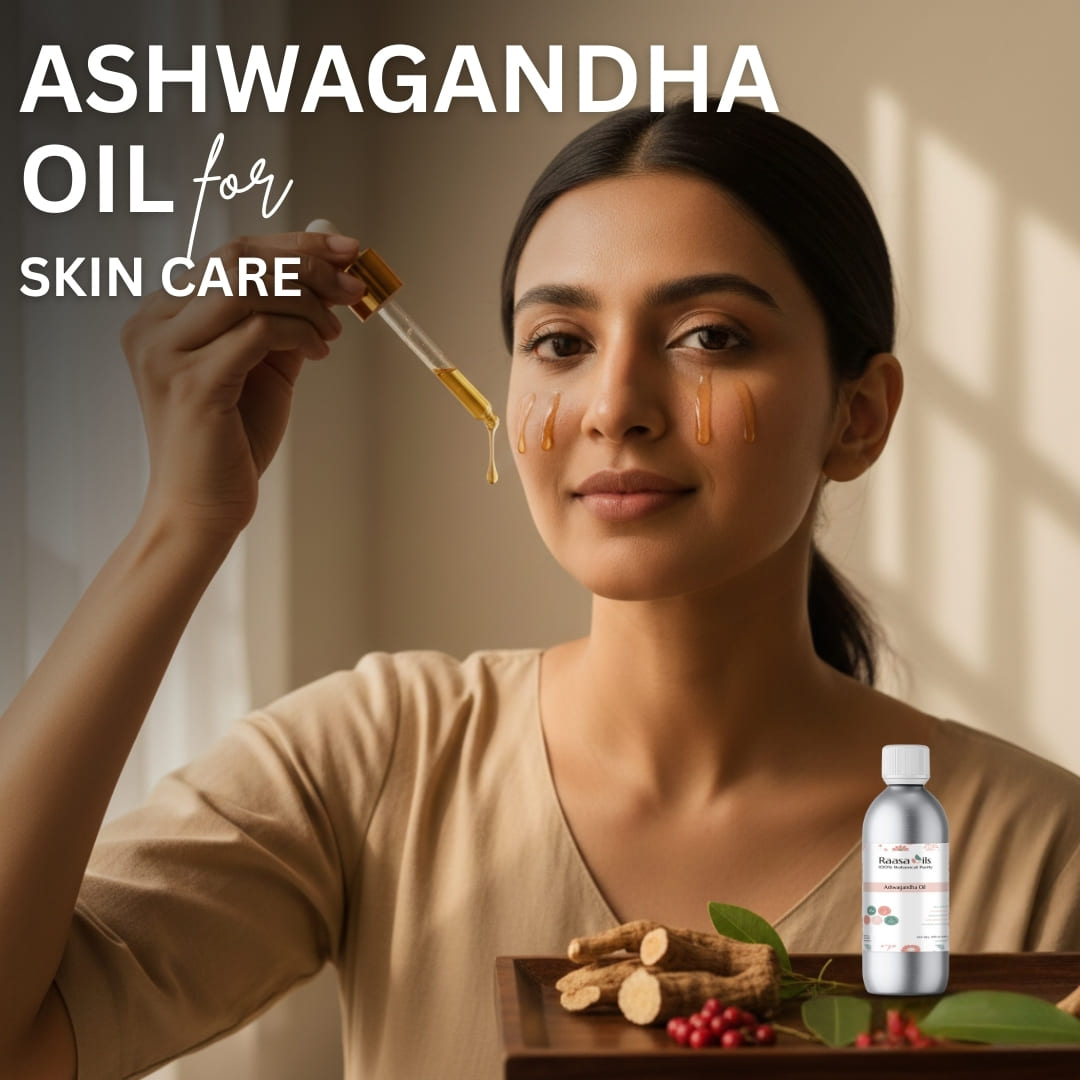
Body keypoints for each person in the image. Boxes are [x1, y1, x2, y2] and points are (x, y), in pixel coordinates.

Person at [2, 100, 1078, 1080]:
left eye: (709, 336)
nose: (613, 406)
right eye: (561, 342)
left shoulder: (1042, 859)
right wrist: (178, 526)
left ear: (860, 416)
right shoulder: (376, 761)